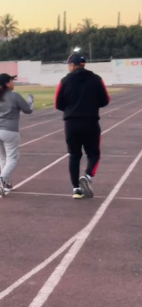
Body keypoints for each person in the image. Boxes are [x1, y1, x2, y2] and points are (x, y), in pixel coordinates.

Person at [55, 53, 110, 199]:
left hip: (71, 123)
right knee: (93, 154)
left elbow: (58, 103)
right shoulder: (96, 79)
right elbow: (105, 100)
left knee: (74, 156)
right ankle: (88, 175)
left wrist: (71, 109)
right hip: (90, 122)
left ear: (72, 65)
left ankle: (76, 189)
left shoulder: (65, 81)